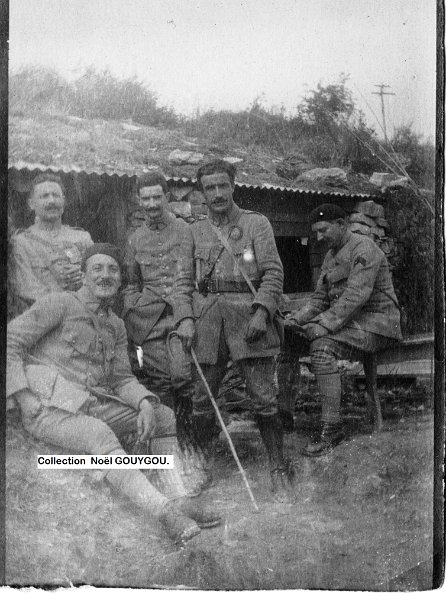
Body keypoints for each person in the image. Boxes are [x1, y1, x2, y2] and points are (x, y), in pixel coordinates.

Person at [6, 243, 221, 544]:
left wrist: (145, 402)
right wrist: (22, 394)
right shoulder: (58, 303)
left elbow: (121, 378)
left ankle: (179, 497)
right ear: (83, 275)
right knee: (99, 434)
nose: (105, 276)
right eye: (97, 268)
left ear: (120, 280)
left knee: (162, 416)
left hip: (92, 404)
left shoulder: (116, 325)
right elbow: (10, 341)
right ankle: (165, 513)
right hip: (48, 407)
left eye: (112, 270)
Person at [172, 159, 295, 502]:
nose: (217, 193)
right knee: (201, 398)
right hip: (207, 320)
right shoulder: (192, 232)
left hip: (249, 320)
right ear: (202, 192)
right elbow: (182, 283)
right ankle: (201, 465)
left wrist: (263, 311)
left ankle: (278, 467)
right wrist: (184, 317)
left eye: (222, 185)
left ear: (233, 186)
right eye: (209, 188)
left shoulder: (256, 224)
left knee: (263, 398)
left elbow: (272, 273)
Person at [286, 203, 402, 456]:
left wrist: (322, 325)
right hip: (351, 324)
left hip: (379, 324)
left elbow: (356, 295)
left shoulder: (364, 248)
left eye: (323, 230)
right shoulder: (330, 256)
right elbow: (319, 300)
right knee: (289, 340)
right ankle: (283, 416)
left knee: (321, 346)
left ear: (341, 224)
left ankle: (332, 428)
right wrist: (296, 319)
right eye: (315, 232)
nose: (318, 237)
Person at [121, 173, 195, 467]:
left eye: (157, 197)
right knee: (160, 382)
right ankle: (168, 450)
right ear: (139, 200)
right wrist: (135, 309)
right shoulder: (135, 238)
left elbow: (187, 278)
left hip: (180, 313)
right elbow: (129, 284)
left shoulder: (184, 230)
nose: (151, 203)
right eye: (145, 198)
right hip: (149, 321)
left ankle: (190, 444)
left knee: (183, 378)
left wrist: (185, 315)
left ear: (167, 197)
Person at [10, 173, 93, 313]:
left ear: (64, 201)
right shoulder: (22, 242)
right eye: (44, 196)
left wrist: (84, 277)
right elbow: (28, 290)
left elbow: (98, 278)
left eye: (56, 195)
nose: (52, 201)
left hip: (85, 316)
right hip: (45, 319)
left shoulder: (83, 237)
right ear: (31, 204)